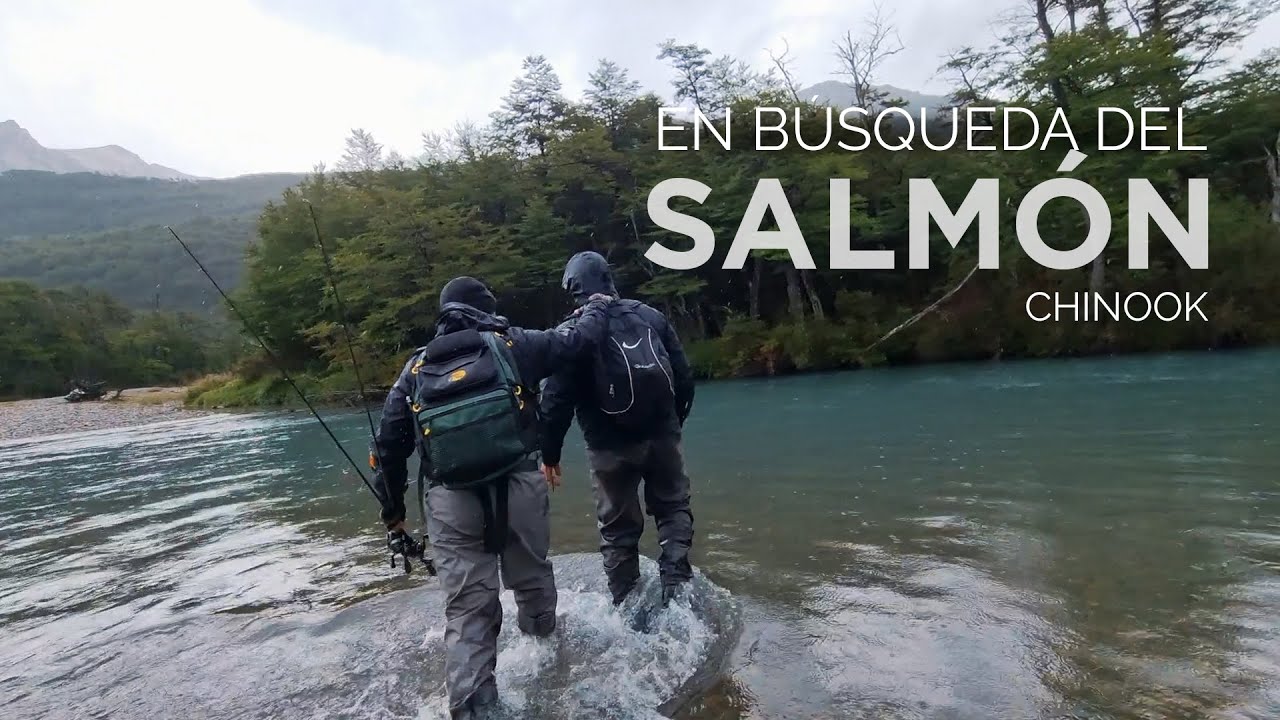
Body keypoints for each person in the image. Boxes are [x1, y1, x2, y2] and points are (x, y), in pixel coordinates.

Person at [370, 276, 613, 720]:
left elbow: (389, 443)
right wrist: (596, 303)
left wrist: (394, 516)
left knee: (467, 608)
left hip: (449, 501)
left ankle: (474, 706)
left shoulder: (416, 370)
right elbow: (575, 341)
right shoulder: (511, 345)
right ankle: (547, 661)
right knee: (533, 579)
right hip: (519, 484)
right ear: (485, 309)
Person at [539, 251, 696, 609]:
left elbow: (555, 400)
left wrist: (550, 453)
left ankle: (627, 607)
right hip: (662, 434)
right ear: (609, 279)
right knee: (673, 508)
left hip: (608, 445)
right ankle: (676, 584)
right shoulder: (651, 317)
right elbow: (684, 376)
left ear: (573, 288)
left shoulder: (575, 331)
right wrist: (674, 424)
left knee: (618, 531)